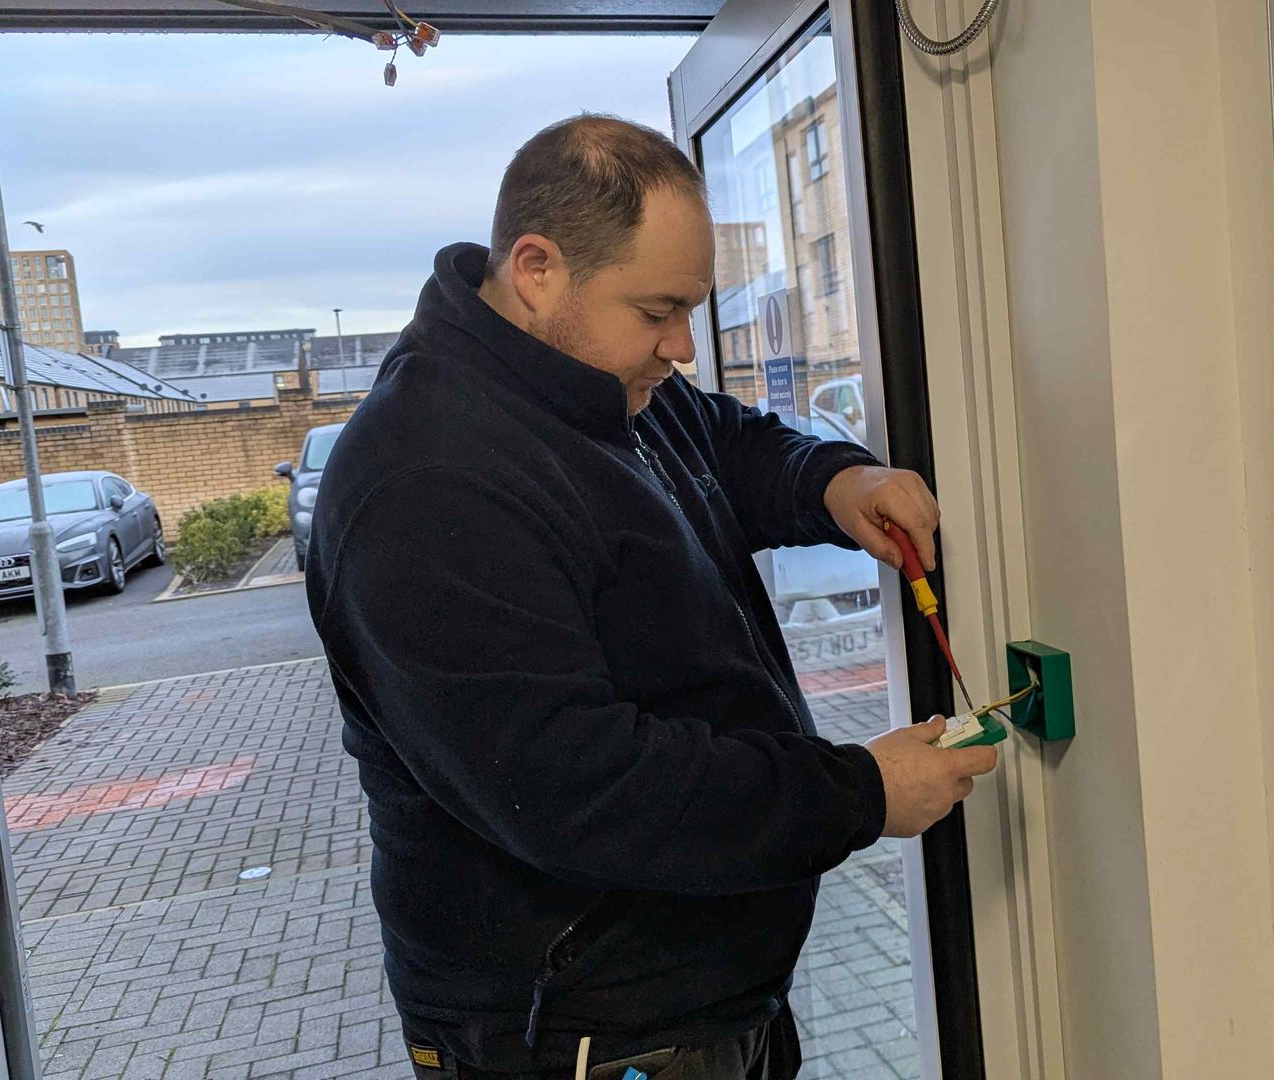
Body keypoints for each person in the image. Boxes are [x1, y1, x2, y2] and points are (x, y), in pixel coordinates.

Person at [306, 114, 998, 1080]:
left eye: (691, 309)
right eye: (657, 311)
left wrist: (835, 483)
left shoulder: (597, 385)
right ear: (538, 268)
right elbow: (582, 788)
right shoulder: (428, 483)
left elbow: (724, 439)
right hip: (582, 1034)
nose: (681, 345)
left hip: (689, 1004)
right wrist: (861, 792)